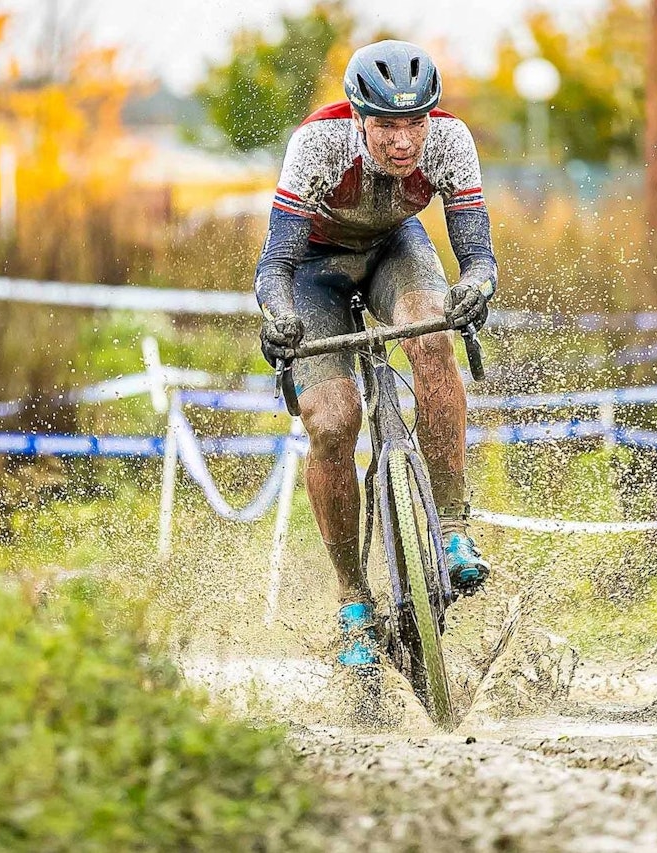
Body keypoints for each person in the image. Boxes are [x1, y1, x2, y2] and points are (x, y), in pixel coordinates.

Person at [253, 40, 497, 667]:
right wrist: (279, 317)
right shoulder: (318, 144)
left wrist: (475, 284)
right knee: (332, 422)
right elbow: (274, 266)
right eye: (386, 125)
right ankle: (352, 598)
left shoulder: (450, 140)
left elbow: (477, 255)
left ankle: (450, 531)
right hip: (313, 270)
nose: (402, 141)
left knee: (433, 336)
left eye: (413, 122)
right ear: (359, 118)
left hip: (393, 249)